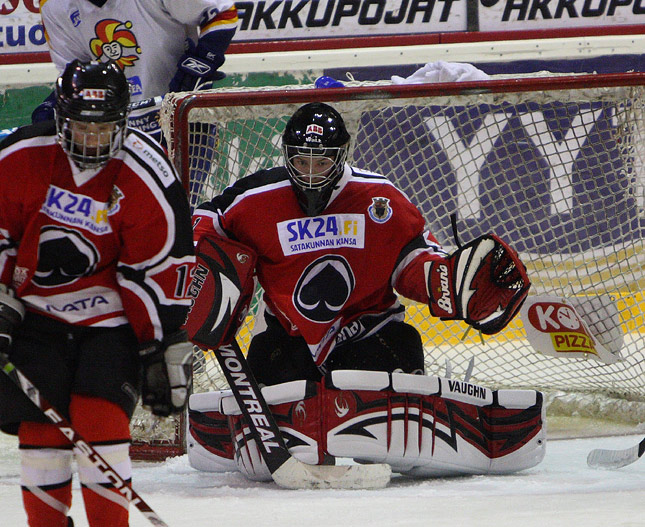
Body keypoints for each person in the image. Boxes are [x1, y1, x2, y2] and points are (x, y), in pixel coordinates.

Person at [186, 102, 541, 481]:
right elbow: (206, 222)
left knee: (399, 350)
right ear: (286, 154)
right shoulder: (255, 197)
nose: (309, 174)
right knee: (259, 458)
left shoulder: (379, 197)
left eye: (320, 163)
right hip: (287, 340)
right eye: (301, 161)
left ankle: (397, 420)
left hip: (369, 337)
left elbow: (412, 256)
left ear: (340, 157)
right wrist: (204, 270)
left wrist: (442, 282)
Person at [0, 60, 195, 527]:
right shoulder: (20, 157)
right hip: (35, 315)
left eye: (104, 127)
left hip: (113, 320)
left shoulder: (146, 174)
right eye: (81, 127)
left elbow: (161, 264)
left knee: (99, 418)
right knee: (40, 427)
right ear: (61, 118)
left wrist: (158, 345)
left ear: (123, 122)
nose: (92, 139)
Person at [32, 0, 238, 139]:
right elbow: (80, 72)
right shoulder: (54, 5)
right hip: (114, 132)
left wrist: (199, 66)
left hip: (185, 122)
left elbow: (222, 13)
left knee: (180, 202)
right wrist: (60, 101)